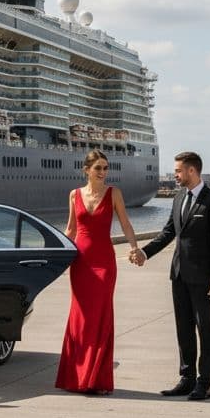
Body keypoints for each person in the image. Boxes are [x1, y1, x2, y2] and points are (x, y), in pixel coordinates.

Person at [133, 151, 210, 400]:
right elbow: (168, 233)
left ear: (191, 171)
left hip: (203, 278)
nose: (175, 175)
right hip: (178, 275)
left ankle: (204, 383)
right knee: (183, 329)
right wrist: (145, 252)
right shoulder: (178, 198)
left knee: (204, 330)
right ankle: (186, 379)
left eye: (178, 171)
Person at [56, 149, 140, 395]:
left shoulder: (114, 193)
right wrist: (56, 253)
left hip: (104, 262)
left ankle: (97, 379)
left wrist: (134, 248)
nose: (103, 172)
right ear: (87, 170)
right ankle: (76, 377)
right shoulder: (74, 194)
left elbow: (125, 223)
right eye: (98, 168)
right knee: (80, 317)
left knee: (100, 316)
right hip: (80, 262)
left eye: (105, 167)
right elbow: (71, 229)